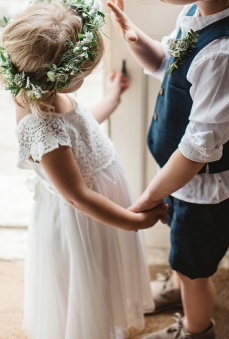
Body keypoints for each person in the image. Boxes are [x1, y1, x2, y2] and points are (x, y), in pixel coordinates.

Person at [0, 1, 169, 338]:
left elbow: (78, 125)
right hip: (85, 217)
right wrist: (132, 222)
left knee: (107, 270)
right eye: (83, 75)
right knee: (91, 280)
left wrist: (110, 100)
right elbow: (77, 195)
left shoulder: (43, 96)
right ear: (59, 78)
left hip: (97, 206)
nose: (85, 77)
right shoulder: (41, 126)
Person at [107, 0, 229, 338]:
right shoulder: (197, 12)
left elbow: (198, 149)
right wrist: (130, 33)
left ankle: (197, 329)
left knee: (195, 268)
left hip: (205, 187)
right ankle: (177, 281)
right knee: (181, 241)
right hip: (180, 176)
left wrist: (151, 194)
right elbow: (170, 61)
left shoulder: (223, 53)